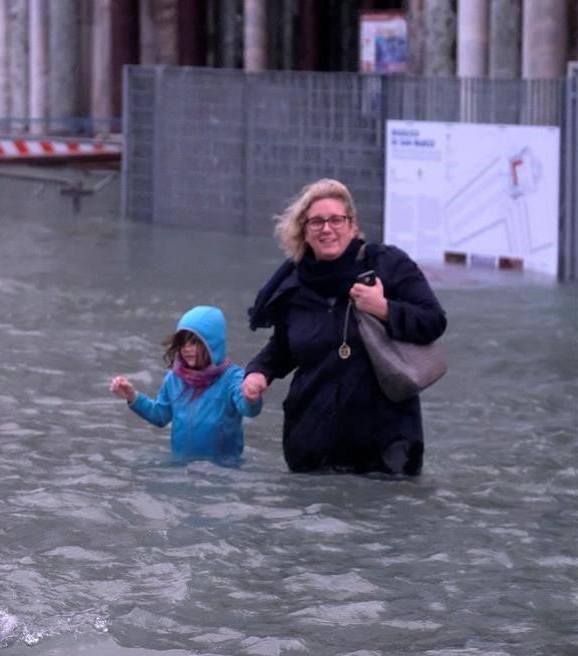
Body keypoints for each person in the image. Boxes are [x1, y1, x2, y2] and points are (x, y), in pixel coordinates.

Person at [241, 178, 447, 475]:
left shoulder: (388, 264)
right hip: (313, 445)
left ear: (353, 225)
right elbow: (284, 347)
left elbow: (433, 321)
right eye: (317, 222)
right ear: (304, 231)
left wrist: (384, 309)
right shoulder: (293, 285)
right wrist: (259, 373)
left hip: (386, 448)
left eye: (336, 219)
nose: (327, 229)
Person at [110, 306, 262, 467]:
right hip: (181, 467)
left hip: (223, 469)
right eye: (182, 343)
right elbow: (160, 415)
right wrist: (132, 397)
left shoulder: (233, 378)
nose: (187, 348)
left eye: (194, 342)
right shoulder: (174, 378)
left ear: (213, 344)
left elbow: (249, 410)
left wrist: (251, 398)